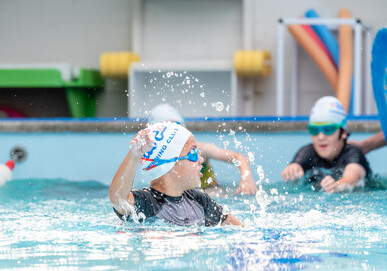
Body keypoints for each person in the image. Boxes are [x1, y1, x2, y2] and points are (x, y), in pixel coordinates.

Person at [109, 121, 243, 227]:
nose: (200, 159)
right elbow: (118, 198)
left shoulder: (199, 200)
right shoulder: (149, 203)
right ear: (170, 164)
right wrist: (134, 156)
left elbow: (239, 228)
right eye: (193, 153)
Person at [148, 103, 258, 196]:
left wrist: (246, 179)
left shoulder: (200, 149)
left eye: (177, 126)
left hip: (212, 193)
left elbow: (238, 157)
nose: (175, 132)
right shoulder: (157, 160)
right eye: (169, 128)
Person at [281, 96, 372, 193]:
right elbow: (295, 167)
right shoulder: (308, 152)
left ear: (343, 133)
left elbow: (351, 179)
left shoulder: (352, 153)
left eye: (328, 129)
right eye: (314, 130)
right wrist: (291, 172)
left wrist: (337, 186)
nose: (320, 137)